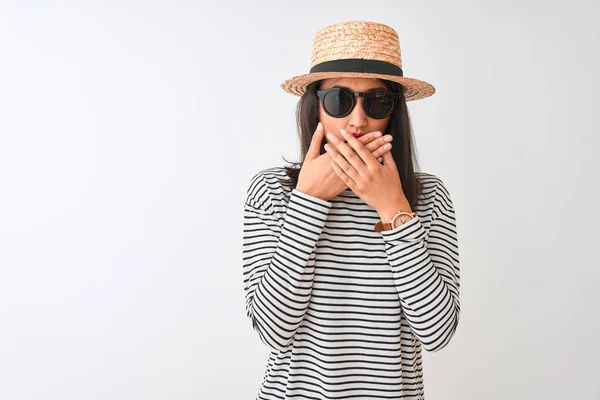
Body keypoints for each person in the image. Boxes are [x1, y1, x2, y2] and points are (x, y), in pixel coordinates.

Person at [242, 20, 460, 400]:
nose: (358, 120)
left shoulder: (427, 196)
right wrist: (308, 202)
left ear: (394, 111)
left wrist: (393, 207)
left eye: (376, 101)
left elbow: (437, 333)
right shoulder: (272, 191)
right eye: (340, 100)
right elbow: (273, 330)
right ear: (316, 107)